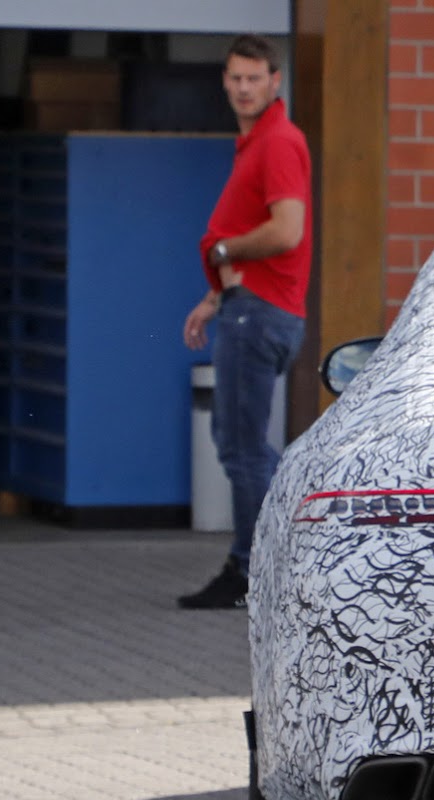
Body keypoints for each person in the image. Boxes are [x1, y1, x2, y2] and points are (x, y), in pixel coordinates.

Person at [178, 34, 312, 609]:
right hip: (248, 308)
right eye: (234, 77)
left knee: (242, 449)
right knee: (243, 445)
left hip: (258, 316)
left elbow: (287, 231)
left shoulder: (278, 142)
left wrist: (224, 251)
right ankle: (271, 561)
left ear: (275, 82)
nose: (242, 88)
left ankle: (254, 570)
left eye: (253, 78)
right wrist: (214, 297)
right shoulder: (257, 142)